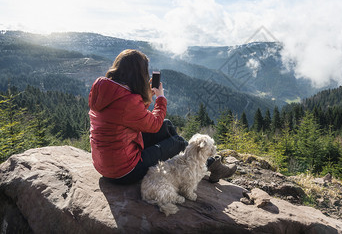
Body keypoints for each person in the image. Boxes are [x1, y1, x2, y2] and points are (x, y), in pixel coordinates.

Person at [88, 49, 236, 185]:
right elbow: (153, 124)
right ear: (138, 73)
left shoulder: (106, 90)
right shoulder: (128, 101)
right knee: (176, 142)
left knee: (167, 125)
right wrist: (160, 98)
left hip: (106, 164)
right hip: (124, 171)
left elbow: (130, 117)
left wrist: (146, 98)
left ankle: (207, 164)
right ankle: (208, 165)